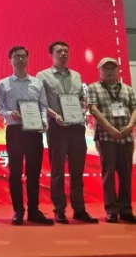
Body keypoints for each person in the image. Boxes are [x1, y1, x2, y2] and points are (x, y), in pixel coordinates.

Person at [36, 42, 98, 224]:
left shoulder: (76, 76)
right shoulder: (43, 76)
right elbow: (41, 102)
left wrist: (82, 108)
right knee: (57, 170)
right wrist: (55, 115)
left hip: (77, 127)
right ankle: (59, 209)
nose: (63, 53)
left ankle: (79, 209)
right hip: (57, 127)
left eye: (66, 51)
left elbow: (80, 99)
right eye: (59, 51)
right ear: (51, 55)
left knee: (77, 170)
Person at [0, 45, 53, 226]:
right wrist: (9, 114)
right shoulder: (3, 84)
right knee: (15, 173)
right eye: (16, 56)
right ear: (10, 60)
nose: (20, 59)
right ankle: (18, 210)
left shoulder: (37, 83)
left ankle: (34, 210)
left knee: (34, 172)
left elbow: (43, 105)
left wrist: (43, 120)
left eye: (23, 56)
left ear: (27, 59)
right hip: (14, 130)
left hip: (34, 131)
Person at [88, 57, 136, 223]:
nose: (110, 71)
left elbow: (134, 108)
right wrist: (111, 129)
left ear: (117, 70)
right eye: (106, 69)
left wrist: (130, 126)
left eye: (113, 68)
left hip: (127, 137)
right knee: (108, 175)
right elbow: (93, 110)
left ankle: (126, 210)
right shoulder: (93, 88)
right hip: (106, 137)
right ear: (100, 71)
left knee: (126, 175)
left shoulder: (127, 89)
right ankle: (111, 210)